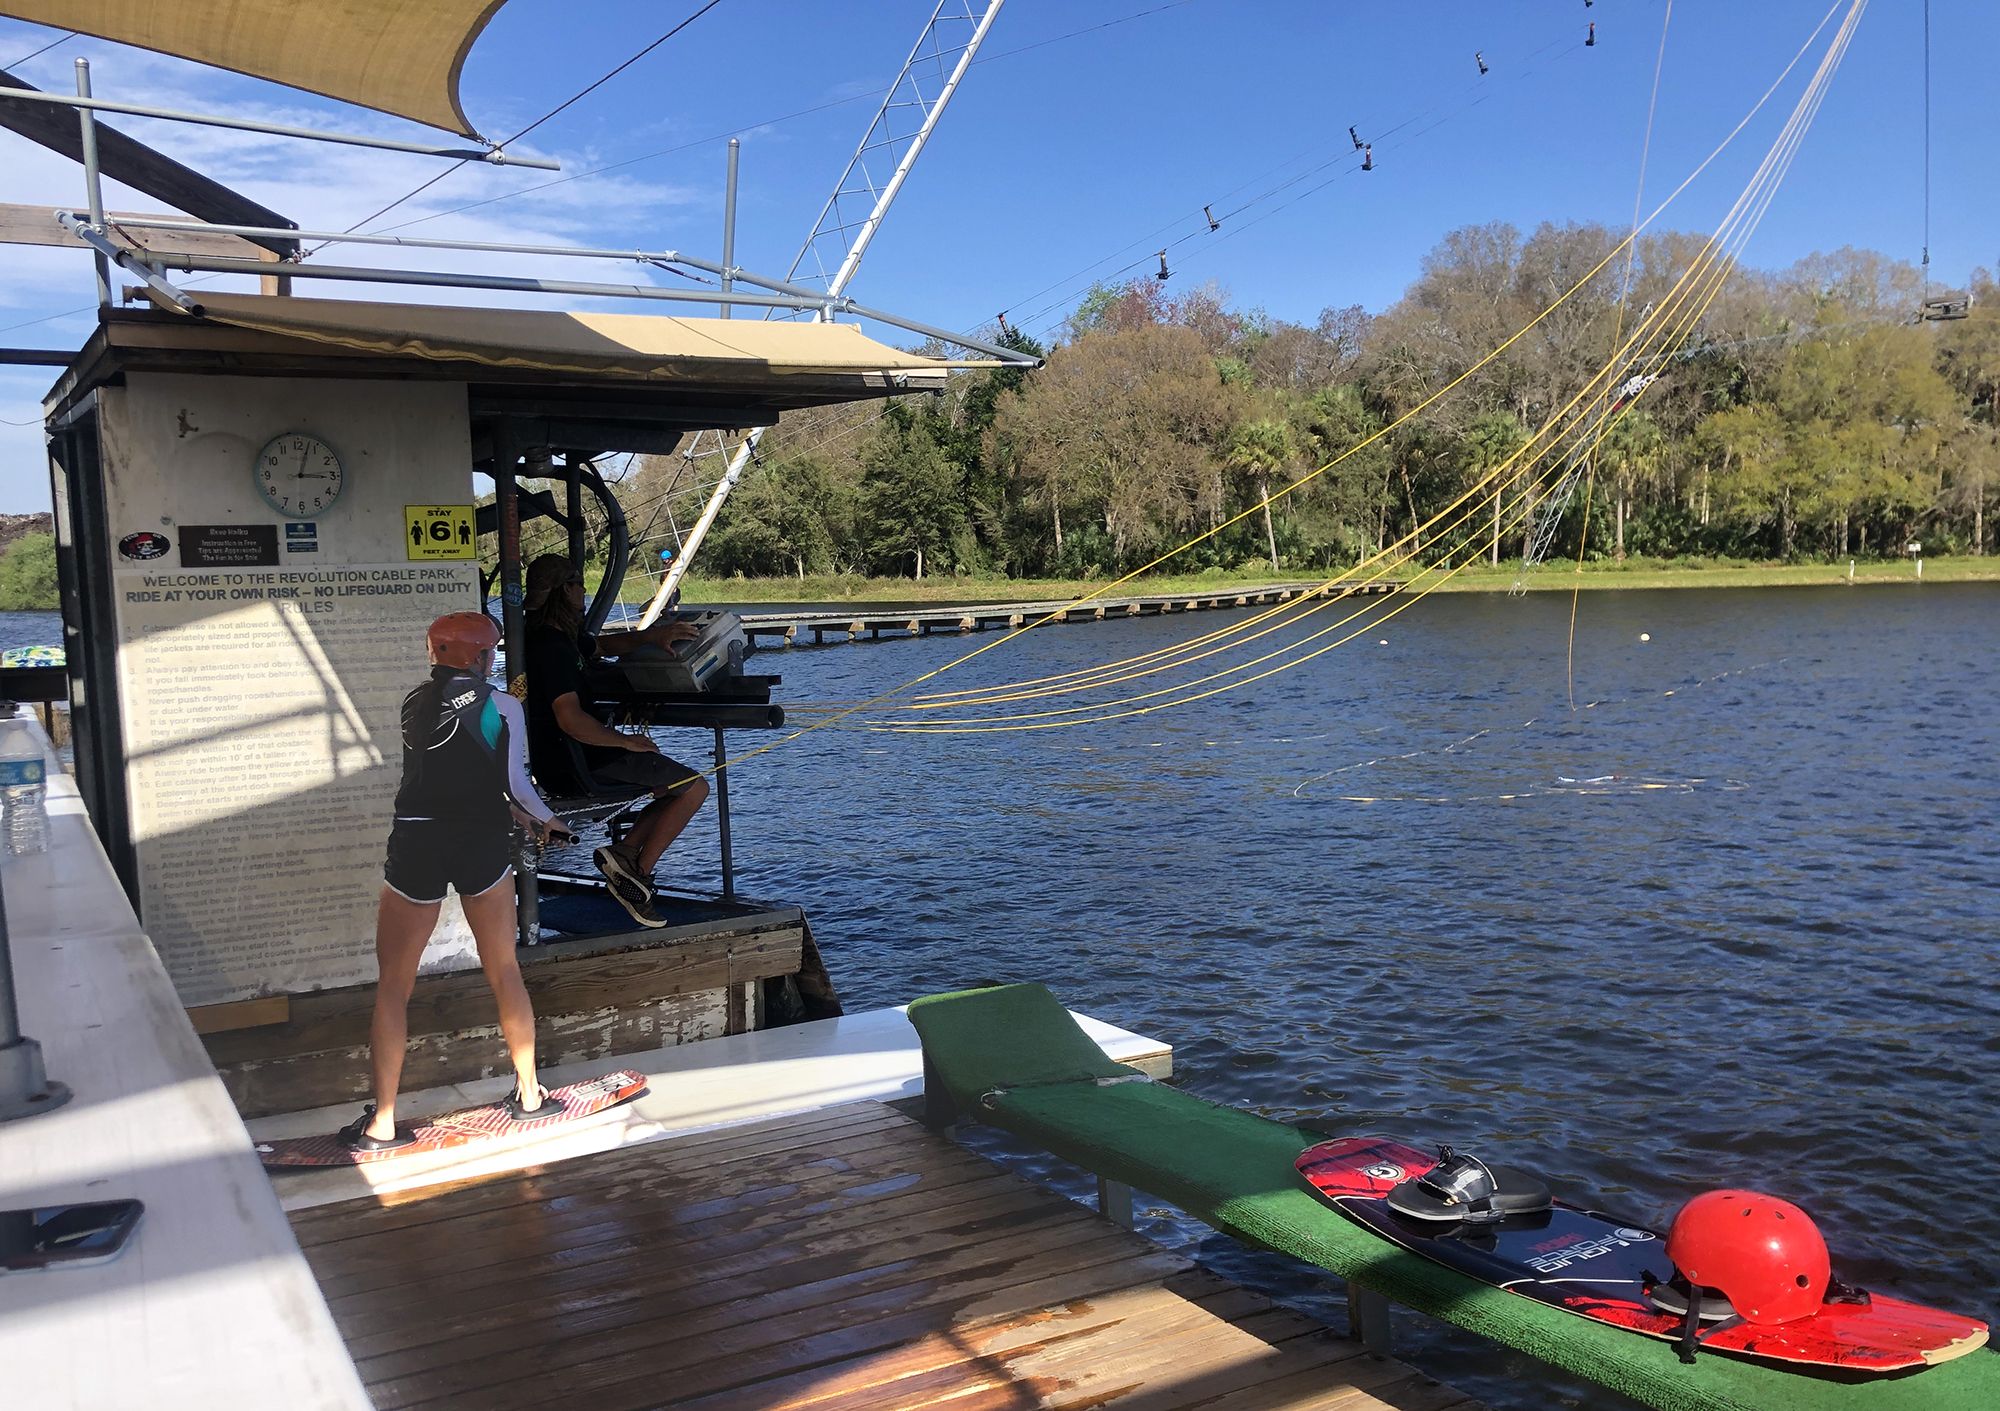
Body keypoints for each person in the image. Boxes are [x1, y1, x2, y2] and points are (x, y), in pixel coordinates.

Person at [346, 612, 576, 1152]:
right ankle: (528, 1096)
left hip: (415, 843)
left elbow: (447, 773)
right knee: (503, 970)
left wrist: (519, 812)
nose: (492, 657)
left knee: (394, 986)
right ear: (477, 656)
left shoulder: (411, 703)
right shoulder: (504, 706)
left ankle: (381, 1122)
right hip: (479, 843)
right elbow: (515, 784)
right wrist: (547, 820)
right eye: (490, 650)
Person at [520, 553, 710, 929]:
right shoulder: (552, 649)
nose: (584, 588)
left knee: (669, 789)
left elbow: (602, 648)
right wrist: (625, 742)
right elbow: (570, 719)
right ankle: (637, 875)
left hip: (559, 760)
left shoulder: (556, 638)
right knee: (694, 789)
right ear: (562, 591)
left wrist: (652, 637)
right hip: (583, 761)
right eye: (576, 581)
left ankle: (622, 852)